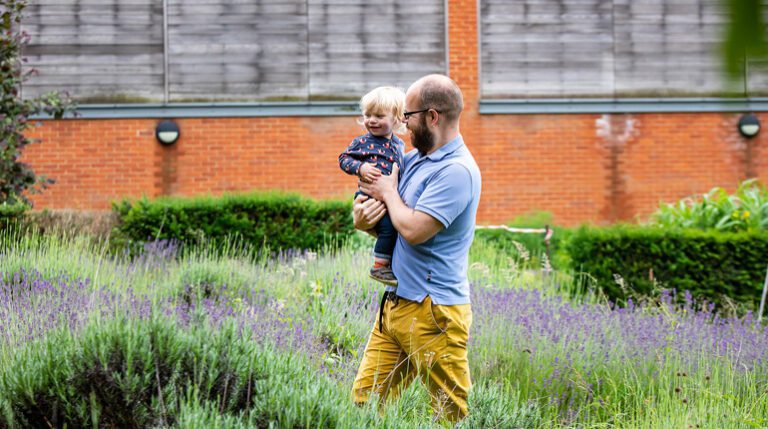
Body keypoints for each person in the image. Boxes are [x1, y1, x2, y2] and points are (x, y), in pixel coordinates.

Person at [351, 74, 481, 423]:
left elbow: (413, 230)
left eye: (407, 116)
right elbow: (388, 222)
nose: (403, 124)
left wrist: (390, 195)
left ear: (433, 116)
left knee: (447, 415)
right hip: (396, 306)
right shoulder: (414, 160)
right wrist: (364, 219)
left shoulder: (457, 171)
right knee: (363, 409)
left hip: (434, 312)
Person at [339, 86, 407, 286]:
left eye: (379, 115)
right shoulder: (362, 142)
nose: (371, 120)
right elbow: (343, 159)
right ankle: (379, 266)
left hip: (389, 198)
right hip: (370, 197)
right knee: (389, 229)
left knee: (397, 228)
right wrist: (361, 168)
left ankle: (393, 264)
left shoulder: (400, 145)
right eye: (368, 115)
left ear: (396, 118)